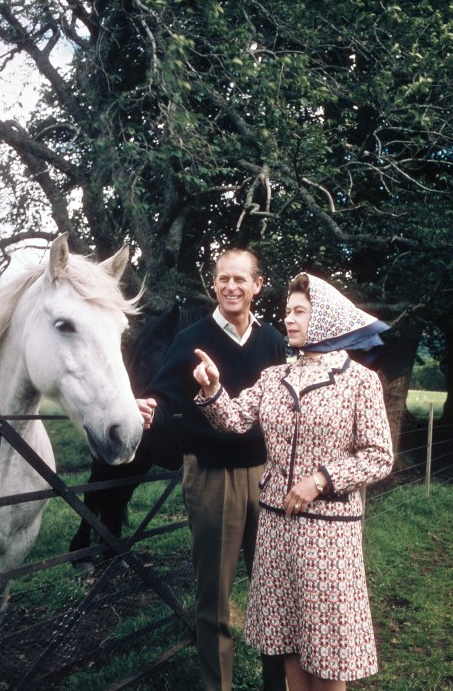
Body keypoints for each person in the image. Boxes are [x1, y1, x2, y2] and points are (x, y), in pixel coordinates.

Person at [192, 271, 394, 691]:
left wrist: (320, 479)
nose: (289, 319)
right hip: (276, 529)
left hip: (329, 535)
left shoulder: (359, 381)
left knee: (327, 651)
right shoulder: (273, 377)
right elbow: (232, 419)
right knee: (288, 644)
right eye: (287, 311)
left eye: (301, 311)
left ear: (326, 318)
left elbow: (379, 457)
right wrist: (212, 389)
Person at [136, 249, 287, 691]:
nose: (231, 287)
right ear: (214, 284)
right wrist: (150, 409)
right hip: (212, 477)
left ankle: (275, 683)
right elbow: (164, 396)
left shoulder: (274, 340)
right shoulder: (192, 339)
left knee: (272, 592)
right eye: (223, 279)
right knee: (214, 598)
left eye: (241, 279)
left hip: (266, 476)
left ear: (257, 285)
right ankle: (216, 685)